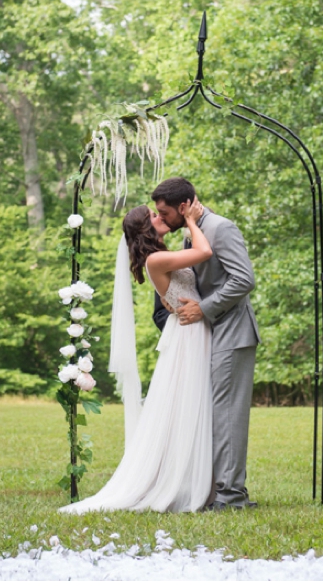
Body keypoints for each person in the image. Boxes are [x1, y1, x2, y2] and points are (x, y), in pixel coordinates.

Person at [61, 197, 214, 513]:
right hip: (187, 333)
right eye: (154, 216)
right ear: (147, 229)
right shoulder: (155, 261)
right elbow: (204, 253)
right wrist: (190, 221)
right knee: (187, 400)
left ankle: (195, 475)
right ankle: (184, 481)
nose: (161, 217)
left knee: (192, 401)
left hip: (190, 327)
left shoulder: (162, 255)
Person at [151, 177, 260, 511]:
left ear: (183, 207)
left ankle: (230, 497)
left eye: (164, 212)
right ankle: (216, 490)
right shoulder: (191, 231)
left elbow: (244, 279)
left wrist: (204, 308)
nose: (161, 217)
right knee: (213, 414)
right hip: (210, 334)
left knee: (227, 416)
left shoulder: (221, 228)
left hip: (233, 332)